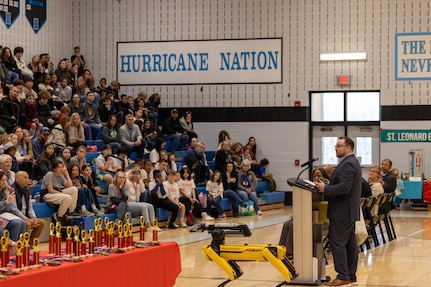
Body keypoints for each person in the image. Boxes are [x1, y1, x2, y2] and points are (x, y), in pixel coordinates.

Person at [314, 136, 361, 286]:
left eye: (339, 146)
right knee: (349, 243)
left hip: (342, 210)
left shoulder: (348, 164)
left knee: (338, 243)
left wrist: (325, 189)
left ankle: (343, 275)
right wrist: (329, 183)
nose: (336, 148)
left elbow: (344, 188)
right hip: (348, 210)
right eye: (335, 146)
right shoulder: (352, 162)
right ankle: (350, 274)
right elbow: (343, 184)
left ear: (348, 148)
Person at [10, 171, 46, 247]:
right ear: (17, 179)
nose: (27, 180)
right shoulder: (12, 190)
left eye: (28, 177)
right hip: (15, 217)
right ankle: (22, 244)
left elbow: (30, 207)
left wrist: (34, 218)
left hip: (26, 216)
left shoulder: (27, 190)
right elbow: (14, 210)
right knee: (27, 223)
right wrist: (27, 219)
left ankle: (30, 244)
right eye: (25, 178)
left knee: (41, 223)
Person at [40, 161, 79, 226]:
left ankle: (71, 211)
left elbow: (70, 186)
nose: (61, 169)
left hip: (57, 192)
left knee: (74, 189)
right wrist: (63, 194)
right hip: (47, 194)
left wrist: (66, 174)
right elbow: (50, 190)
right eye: (59, 167)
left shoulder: (60, 176)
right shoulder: (49, 175)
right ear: (54, 169)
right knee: (67, 197)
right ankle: (59, 215)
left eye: (62, 167)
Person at [0, 170, 26, 242]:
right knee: (17, 223)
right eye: (2, 180)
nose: (4, 182)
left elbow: (7, 209)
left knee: (22, 223)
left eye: (5, 180)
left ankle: (18, 245)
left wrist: (7, 197)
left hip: (4, 216)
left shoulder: (4, 191)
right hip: (2, 216)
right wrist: (6, 201)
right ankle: (11, 247)